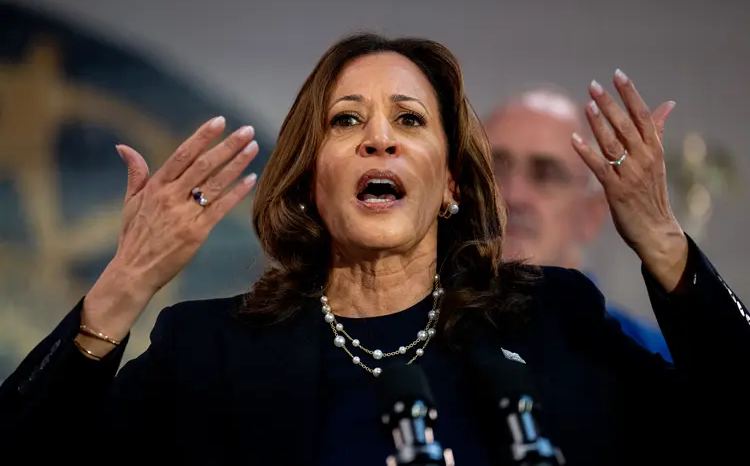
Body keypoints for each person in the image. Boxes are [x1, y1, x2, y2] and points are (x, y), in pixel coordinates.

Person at [0, 34, 748, 465]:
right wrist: (121, 289)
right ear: (310, 183)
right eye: (347, 120)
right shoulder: (211, 353)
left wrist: (662, 243)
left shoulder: (549, 321)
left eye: (410, 121)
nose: (380, 137)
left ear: (449, 183)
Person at [484, 87, 673, 361]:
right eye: (495, 169)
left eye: (546, 174)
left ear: (591, 213)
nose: (514, 195)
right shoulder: (418, 339)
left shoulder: (645, 356)